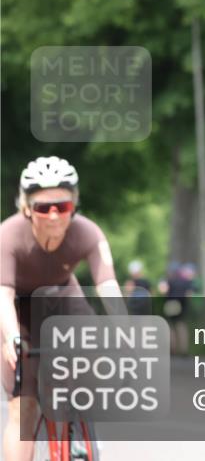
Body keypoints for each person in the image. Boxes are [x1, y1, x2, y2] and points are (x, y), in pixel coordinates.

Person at [1, 157, 124, 461]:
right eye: (44, 207)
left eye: (63, 206)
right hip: (18, 308)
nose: (54, 216)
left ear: (75, 205)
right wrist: (12, 338)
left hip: (62, 298)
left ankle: (80, 425)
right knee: (24, 407)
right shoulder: (8, 235)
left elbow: (107, 286)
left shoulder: (88, 233)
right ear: (27, 207)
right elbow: (2, 294)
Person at [159, 262, 196, 355]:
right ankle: (184, 349)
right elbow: (190, 294)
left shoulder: (169, 280)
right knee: (181, 326)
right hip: (182, 304)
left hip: (171, 303)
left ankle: (173, 349)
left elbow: (163, 291)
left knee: (171, 326)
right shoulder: (186, 281)